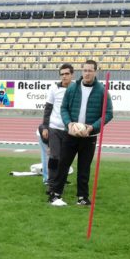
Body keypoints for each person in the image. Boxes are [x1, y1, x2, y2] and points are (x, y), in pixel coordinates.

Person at [49, 59, 112, 207]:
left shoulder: (102, 91)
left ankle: (82, 197)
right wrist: (69, 124)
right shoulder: (73, 88)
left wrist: (92, 128)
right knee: (63, 164)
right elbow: (63, 108)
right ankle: (55, 194)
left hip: (88, 136)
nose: (87, 73)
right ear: (81, 71)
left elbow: (108, 114)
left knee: (84, 168)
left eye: (90, 70)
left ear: (95, 72)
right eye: (85, 70)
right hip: (70, 135)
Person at [40, 63, 76, 200]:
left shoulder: (75, 88)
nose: (64, 76)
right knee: (54, 157)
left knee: (64, 159)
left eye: (67, 73)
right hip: (54, 127)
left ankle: (60, 183)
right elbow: (48, 108)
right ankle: (52, 185)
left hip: (69, 129)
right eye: (62, 74)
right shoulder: (54, 88)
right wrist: (45, 127)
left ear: (72, 74)